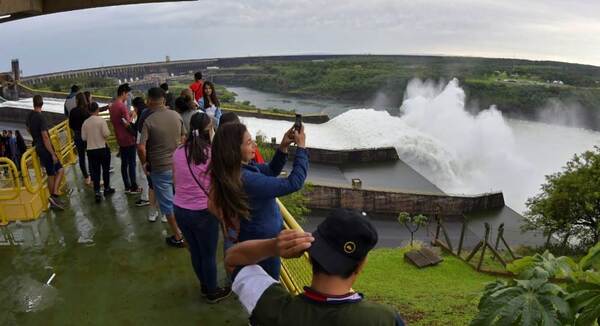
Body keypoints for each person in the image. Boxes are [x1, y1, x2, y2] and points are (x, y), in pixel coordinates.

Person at [226, 208, 406, 326]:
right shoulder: (384, 319)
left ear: (310, 255)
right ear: (360, 265)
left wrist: (273, 246)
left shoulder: (272, 306)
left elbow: (232, 260)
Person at [210, 123, 308, 279]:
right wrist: (301, 148)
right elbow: (293, 183)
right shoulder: (246, 180)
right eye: (249, 142)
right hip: (263, 247)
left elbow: (270, 171)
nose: (254, 145)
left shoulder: (236, 170)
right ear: (234, 150)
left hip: (257, 239)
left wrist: (283, 146)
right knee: (268, 288)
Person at [173, 112, 232, 302]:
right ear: (209, 130)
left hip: (180, 210)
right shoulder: (211, 154)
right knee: (208, 255)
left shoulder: (178, 152)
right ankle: (212, 291)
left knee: (196, 252)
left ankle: (205, 285)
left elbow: (176, 181)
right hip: (203, 212)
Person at [139, 87, 186, 247]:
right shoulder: (176, 116)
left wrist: (145, 163)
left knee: (167, 204)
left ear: (149, 100)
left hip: (159, 168)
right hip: (178, 166)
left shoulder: (148, 121)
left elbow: (141, 147)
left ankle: (178, 236)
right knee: (180, 198)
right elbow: (184, 138)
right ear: (164, 100)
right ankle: (185, 229)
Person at [26, 95, 65, 209]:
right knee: (55, 172)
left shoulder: (30, 115)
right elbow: (45, 137)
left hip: (38, 146)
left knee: (52, 173)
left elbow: (28, 128)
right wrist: (52, 154)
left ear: (34, 103)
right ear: (42, 104)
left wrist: (35, 136)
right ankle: (54, 196)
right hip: (46, 149)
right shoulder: (40, 117)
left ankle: (54, 196)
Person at [109, 83, 140, 194]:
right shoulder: (122, 106)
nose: (127, 96)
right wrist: (133, 115)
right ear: (123, 93)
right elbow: (128, 124)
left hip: (120, 138)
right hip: (128, 139)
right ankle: (134, 187)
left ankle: (127, 186)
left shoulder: (113, 106)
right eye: (127, 94)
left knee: (124, 164)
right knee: (132, 163)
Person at [132, 97, 159, 219]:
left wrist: (144, 163)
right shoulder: (167, 115)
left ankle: (152, 213)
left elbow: (140, 147)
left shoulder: (144, 116)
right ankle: (165, 214)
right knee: (166, 188)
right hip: (162, 160)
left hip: (150, 159)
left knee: (152, 186)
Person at [81, 102, 115, 202]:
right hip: (102, 148)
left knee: (95, 172)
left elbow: (83, 138)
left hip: (91, 150)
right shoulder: (101, 120)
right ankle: (106, 188)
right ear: (97, 110)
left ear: (88, 110)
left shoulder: (85, 123)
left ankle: (97, 192)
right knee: (105, 170)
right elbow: (106, 134)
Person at [68, 92, 91, 185]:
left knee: (81, 157)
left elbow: (70, 125)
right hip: (87, 136)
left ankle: (86, 177)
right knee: (91, 156)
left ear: (77, 100)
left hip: (77, 135)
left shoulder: (73, 111)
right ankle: (93, 176)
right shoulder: (86, 111)